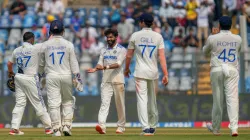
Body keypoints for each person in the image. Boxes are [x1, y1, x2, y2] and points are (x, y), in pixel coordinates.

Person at [124, 13, 169, 135]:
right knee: (152, 100)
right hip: (153, 72)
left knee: (142, 100)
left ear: (143, 22)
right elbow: (162, 57)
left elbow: (128, 55)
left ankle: (145, 127)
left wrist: (126, 69)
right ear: (152, 23)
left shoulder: (135, 35)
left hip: (140, 72)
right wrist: (166, 74)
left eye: (140, 21)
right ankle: (153, 126)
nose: (139, 23)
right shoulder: (158, 36)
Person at [40, 20, 83, 136]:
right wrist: (78, 78)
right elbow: (74, 63)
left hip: (51, 76)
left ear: (50, 31)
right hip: (66, 76)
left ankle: (56, 129)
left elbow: (41, 64)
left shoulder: (45, 45)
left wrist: (40, 76)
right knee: (68, 101)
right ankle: (67, 126)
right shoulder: (69, 44)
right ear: (63, 31)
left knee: (53, 104)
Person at [203, 16, 242, 137]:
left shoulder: (212, 38)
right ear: (231, 26)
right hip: (231, 69)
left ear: (219, 26)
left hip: (217, 69)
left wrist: (213, 36)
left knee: (218, 100)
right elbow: (237, 52)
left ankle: (216, 128)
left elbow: (205, 52)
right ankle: (234, 128)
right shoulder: (238, 38)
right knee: (233, 99)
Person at [7, 32, 52, 135]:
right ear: (32, 39)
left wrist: (10, 72)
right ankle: (48, 127)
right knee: (38, 102)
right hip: (30, 77)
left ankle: (14, 128)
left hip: (18, 77)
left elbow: (9, 63)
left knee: (20, 103)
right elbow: (48, 44)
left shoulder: (16, 50)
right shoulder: (35, 48)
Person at [87, 29, 127, 134]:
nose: (109, 39)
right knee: (104, 103)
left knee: (120, 104)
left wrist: (105, 67)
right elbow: (100, 63)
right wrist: (96, 68)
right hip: (106, 80)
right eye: (107, 37)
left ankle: (121, 126)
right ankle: (102, 126)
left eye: (111, 37)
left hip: (118, 79)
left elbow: (118, 64)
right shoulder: (103, 50)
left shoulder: (122, 49)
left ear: (116, 37)